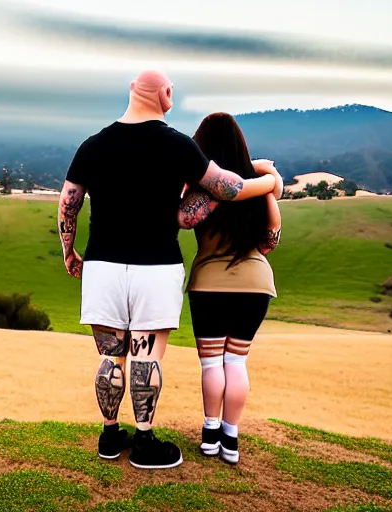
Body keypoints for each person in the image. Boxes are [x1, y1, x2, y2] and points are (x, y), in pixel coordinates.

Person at [57, 70, 282, 470]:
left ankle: (110, 437)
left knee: (111, 356)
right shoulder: (177, 145)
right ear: (165, 94)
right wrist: (267, 181)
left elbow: (68, 202)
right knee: (146, 356)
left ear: (130, 91)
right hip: (155, 265)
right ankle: (145, 444)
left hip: (102, 264)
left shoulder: (93, 145)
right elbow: (226, 187)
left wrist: (69, 251)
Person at [178, 112, 282, 465]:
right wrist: (267, 177)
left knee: (211, 365)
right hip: (255, 285)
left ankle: (209, 435)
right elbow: (270, 241)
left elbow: (183, 216)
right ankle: (230, 438)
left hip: (208, 284)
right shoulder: (260, 188)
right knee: (236, 362)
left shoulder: (199, 191)